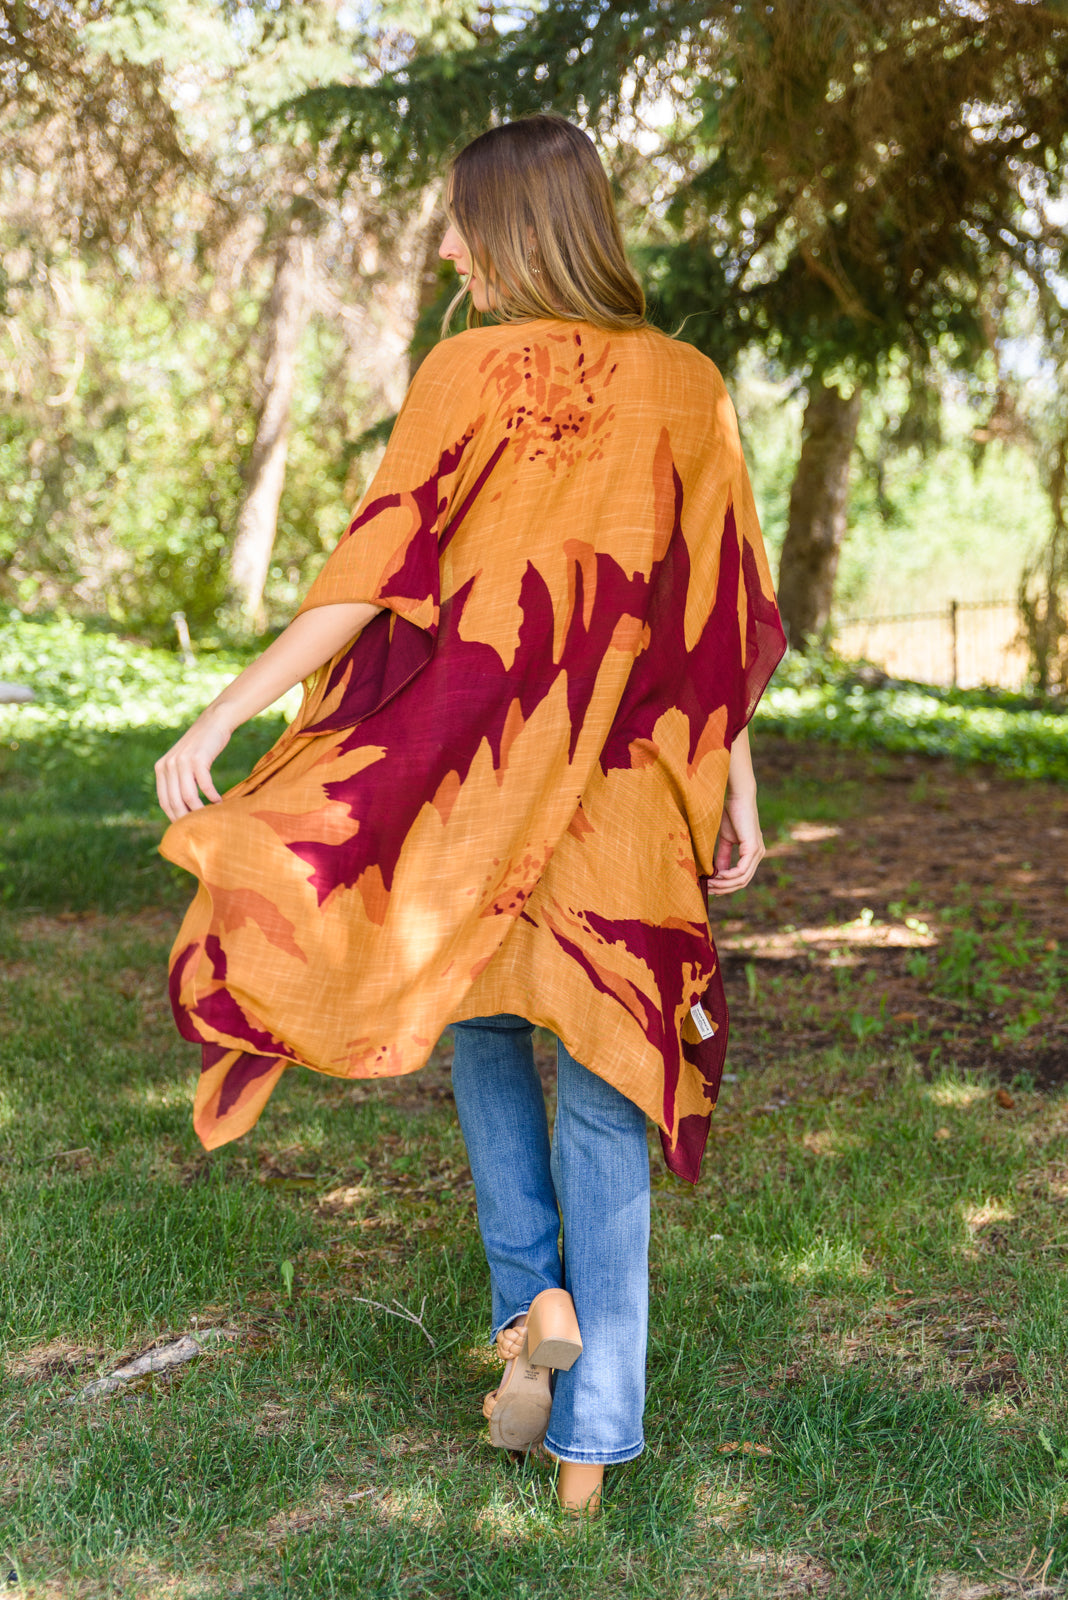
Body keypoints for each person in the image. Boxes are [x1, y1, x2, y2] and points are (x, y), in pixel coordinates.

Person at [156, 114, 786, 1515]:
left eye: (458, 220)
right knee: (606, 1083)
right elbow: (710, 610)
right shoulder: (690, 385)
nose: (446, 248)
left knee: (486, 1021)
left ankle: (529, 1305)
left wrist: (226, 712)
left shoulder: (463, 374)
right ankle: (590, 1449)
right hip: (628, 794)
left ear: (510, 226)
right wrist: (735, 782)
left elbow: (367, 577)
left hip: (483, 779)